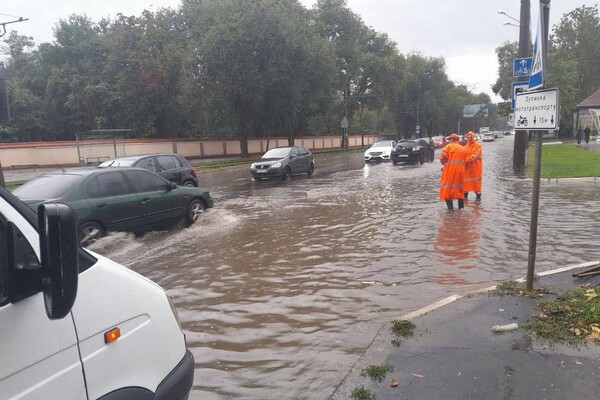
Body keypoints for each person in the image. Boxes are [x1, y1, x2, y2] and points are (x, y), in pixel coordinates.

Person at [439, 133, 467, 210]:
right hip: (460, 172)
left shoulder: (448, 147)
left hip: (449, 172)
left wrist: (445, 165)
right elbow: (465, 160)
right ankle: (461, 210)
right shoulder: (463, 148)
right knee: (460, 191)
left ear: (452, 139)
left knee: (447, 190)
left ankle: (450, 211)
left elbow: (442, 158)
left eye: (450, 139)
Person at [463, 131, 482, 201]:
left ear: (473, 137)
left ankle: (478, 202)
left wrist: (464, 161)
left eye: (471, 137)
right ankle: (465, 202)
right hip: (466, 169)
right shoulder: (465, 147)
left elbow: (474, 156)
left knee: (476, 186)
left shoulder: (478, 146)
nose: (469, 139)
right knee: (465, 187)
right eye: (468, 137)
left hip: (475, 169)